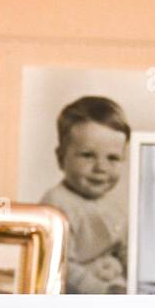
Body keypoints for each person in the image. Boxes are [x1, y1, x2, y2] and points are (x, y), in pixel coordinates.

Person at [40, 96, 130, 294]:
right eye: (88, 155)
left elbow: (127, 251)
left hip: (112, 291)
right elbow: (62, 268)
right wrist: (105, 291)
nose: (101, 167)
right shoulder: (56, 205)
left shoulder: (115, 205)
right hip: (76, 297)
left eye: (113, 158)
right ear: (61, 158)